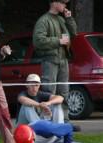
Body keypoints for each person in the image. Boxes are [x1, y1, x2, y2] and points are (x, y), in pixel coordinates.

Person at [32, 0, 79, 131]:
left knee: (64, 92)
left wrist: (69, 18)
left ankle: (65, 121)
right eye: (63, 2)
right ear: (54, 3)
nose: (65, 5)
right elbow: (38, 41)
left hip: (63, 59)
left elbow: (74, 34)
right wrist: (58, 41)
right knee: (49, 91)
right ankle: (49, 122)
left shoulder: (62, 19)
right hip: (49, 60)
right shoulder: (44, 20)